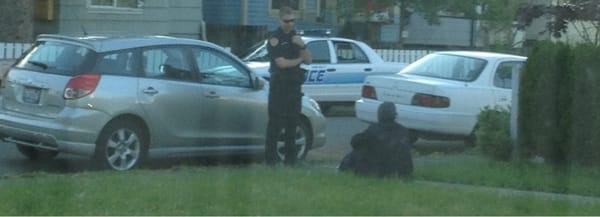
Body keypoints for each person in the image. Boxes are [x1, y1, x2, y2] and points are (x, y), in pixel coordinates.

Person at [265, 6, 312, 165]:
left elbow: (309, 60)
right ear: (280, 20)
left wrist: (302, 46)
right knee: (275, 124)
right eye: (287, 21)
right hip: (279, 86)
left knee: (293, 122)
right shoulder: (274, 38)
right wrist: (299, 60)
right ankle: (271, 160)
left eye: (292, 20)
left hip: (294, 86)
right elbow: (282, 63)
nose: (290, 24)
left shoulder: (295, 37)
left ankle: (291, 160)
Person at [338, 102, 413, 177]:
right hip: (403, 172)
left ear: (380, 114)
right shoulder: (403, 131)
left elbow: (354, 142)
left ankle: (342, 171)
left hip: (378, 170)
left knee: (355, 153)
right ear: (394, 115)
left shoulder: (374, 130)